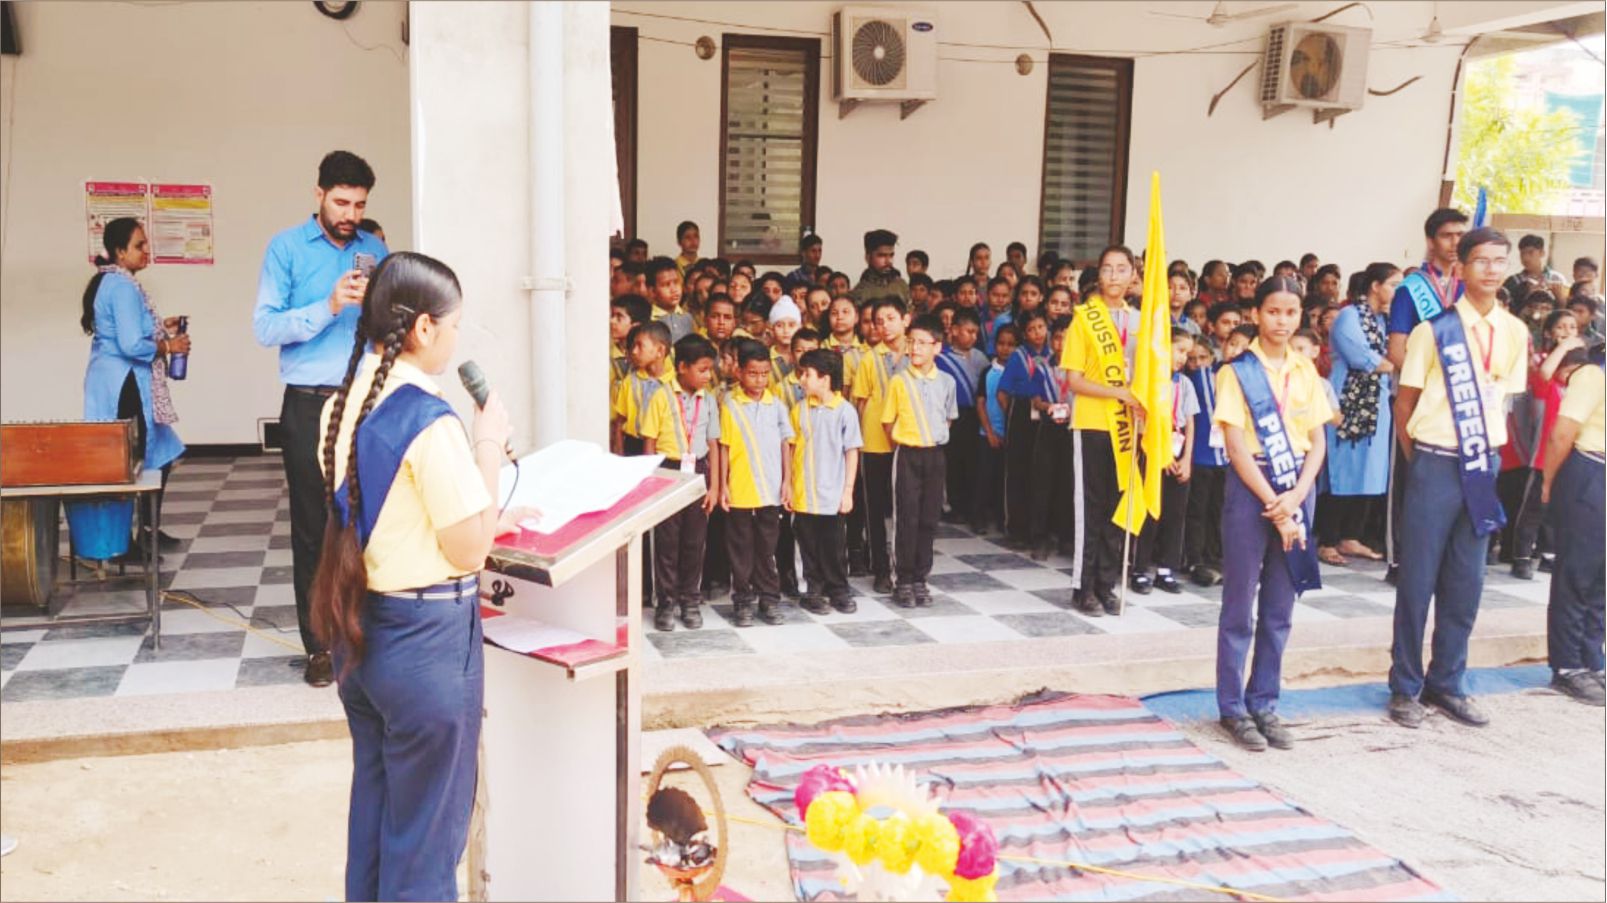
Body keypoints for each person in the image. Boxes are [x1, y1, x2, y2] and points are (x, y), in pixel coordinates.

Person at [311, 252, 530, 902]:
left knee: (378, 826)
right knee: (428, 846)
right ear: (424, 330)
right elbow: (469, 547)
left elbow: (394, 511)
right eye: (455, 326)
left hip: (362, 635)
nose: (458, 339)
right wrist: (487, 441)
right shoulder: (431, 423)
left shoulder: (339, 406)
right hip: (426, 648)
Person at [254, 150, 389, 687]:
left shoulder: (374, 250)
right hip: (308, 401)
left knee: (368, 519)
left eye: (358, 204)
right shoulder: (285, 249)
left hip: (366, 398)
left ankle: (366, 632)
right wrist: (329, 306)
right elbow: (264, 328)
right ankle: (319, 646)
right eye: (340, 202)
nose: (349, 214)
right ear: (318, 195)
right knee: (314, 526)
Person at [1388, 227, 1530, 730]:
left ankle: (1447, 681)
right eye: (1481, 261)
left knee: (1466, 581)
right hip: (1435, 461)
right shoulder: (1434, 331)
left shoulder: (1515, 331)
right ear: (1461, 268)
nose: (1491, 270)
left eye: (1499, 261)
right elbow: (1404, 405)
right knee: (1418, 580)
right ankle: (1404, 686)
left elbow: (1504, 401)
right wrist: (1422, 461)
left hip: (1482, 463)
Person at [1212, 276, 1332, 751]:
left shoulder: (1306, 370)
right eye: (1274, 311)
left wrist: (1298, 496)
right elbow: (1237, 447)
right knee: (1239, 603)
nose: (1282, 321)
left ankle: (1265, 701)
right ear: (1257, 314)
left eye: (1291, 312)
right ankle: (1232, 708)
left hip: (1298, 487)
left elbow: (1319, 440)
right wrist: (1275, 505)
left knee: (1281, 605)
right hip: (1251, 488)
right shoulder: (1235, 371)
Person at [81, 217, 188, 551]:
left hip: (116, 379)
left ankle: (144, 529)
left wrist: (160, 325)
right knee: (131, 460)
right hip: (124, 384)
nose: (146, 251)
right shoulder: (123, 286)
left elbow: (129, 329)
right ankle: (124, 540)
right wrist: (169, 346)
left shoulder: (113, 282)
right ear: (119, 251)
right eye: (139, 245)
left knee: (162, 451)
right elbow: (130, 344)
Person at [1062, 246, 1144, 616]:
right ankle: (1084, 587)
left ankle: (1107, 583)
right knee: (1091, 508)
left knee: (1118, 507)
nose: (1114, 275)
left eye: (1121, 269)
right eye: (1107, 268)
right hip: (1093, 423)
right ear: (1099, 274)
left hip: (1128, 427)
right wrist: (1119, 393)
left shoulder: (1140, 321)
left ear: (1132, 276)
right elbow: (1074, 380)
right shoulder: (1084, 318)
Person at [1540, 344, 1606, 705]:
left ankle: (1592, 660)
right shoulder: (1593, 374)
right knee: (1576, 574)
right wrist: (1549, 483)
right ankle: (1567, 666)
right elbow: (1562, 434)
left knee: (1600, 578)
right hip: (1589, 470)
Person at [643, 334, 722, 631]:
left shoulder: (709, 399)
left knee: (694, 541)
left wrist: (713, 486)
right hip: (667, 469)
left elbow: (713, 442)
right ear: (682, 368)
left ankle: (690, 599)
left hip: (698, 470)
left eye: (709, 369)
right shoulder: (661, 395)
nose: (707, 375)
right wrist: (651, 481)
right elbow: (649, 440)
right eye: (702, 369)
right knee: (667, 541)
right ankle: (665, 602)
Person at [1322, 263, 1398, 562]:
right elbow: (1363, 358)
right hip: (1348, 400)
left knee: (1371, 469)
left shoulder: (1386, 320)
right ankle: (1327, 539)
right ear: (1375, 286)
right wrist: (1398, 363)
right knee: (1341, 469)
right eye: (1393, 284)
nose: (1396, 291)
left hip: (1378, 402)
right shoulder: (1349, 317)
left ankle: (1351, 536)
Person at [882, 314, 958, 608]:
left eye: (922, 343)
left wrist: (931, 439)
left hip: (935, 455)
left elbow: (948, 418)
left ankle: (920, 578)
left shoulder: (947, 382)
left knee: (929, 518)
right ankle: (902, 579)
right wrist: (907, 440)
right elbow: (887, 423)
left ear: (937, 347)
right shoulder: (899, 381)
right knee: (906, 518)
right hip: (908, 455)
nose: (914, 349)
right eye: (911, 342)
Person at [719, 339, 794, 627]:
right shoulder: (730, 405)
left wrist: (787, 481)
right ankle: (742, 601)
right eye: (753, 373)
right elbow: (724, 446)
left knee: (767, 547)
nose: (759, 380)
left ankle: (769, 598)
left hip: (771, 490)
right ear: (739, 372)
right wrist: (724, 484)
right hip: (740, 488)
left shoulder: (776, 405)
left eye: (764, 374)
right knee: (740, 548)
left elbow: (786, 444)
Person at [789, 349, 864, 615]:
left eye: (807, 374)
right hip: (803, 494)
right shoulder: (799, 410)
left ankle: (838, 590)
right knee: (808, 544)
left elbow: (851, 451)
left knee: (833, 545)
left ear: (826, 378)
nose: (801, 380)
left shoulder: (845, 411)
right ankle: (813, 590)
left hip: (832, 495)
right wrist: (788, 485)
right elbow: (790, 448)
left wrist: (848, 492)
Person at [851, 298, 912, 594]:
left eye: (891, 317)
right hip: (874, 444)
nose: (884, 325)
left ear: (906, 320)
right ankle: (880, 568)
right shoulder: (869, 358)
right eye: (879, 321)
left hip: (909, 441)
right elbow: (860, 402)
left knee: (903, 507)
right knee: (873, 508)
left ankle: (905, 566)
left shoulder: (918, 355)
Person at [1133, 330, 1198, 594]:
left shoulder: (1184, 384)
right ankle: (1139, 569)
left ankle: (1165, 569)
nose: (1183, 357)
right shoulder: (1148, 383)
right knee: (1150, 513)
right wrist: (1163, 454)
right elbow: (1143, 426)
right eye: (1179, 350)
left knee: (1175, 514)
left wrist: (1186, 460)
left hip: (1178, 456)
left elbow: (1190, 423)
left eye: (1187, 353)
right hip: (1153, 454)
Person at [997, 308, 1052, 553]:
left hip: (1048, 414)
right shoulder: (1019, 356)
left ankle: (1038, 530)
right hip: (1020, 413)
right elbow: (1002, 392)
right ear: (1024, 334)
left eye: (1041, 327)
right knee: (1017, 471)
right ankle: (1016, 528)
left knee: (1040, 473)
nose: (1037, 333)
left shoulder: (1054, 355)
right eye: (1031, 330)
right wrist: (1013, 414)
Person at [935, 307, 988, 525]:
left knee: (972, 462)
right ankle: (953, 505)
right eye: (968, 331)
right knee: (953, 462)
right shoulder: (941, 358)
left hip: (974, 415)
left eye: (976, 332)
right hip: (951, 417)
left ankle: (971, 506)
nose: (973, 337)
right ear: (954, 330)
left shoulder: (980, 357)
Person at [1184, 336, 1228, 586]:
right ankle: (1196, 559)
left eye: (1203, 358)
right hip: (1198, 457)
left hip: (1222, 459)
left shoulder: (1220, 378)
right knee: (1197, 512)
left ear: (1212, 358)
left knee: (1218, 510)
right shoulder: (1190, 382)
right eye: (1191, 359)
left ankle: (1215, 557)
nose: (1197, 363)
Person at [975, 325, 1018, 536]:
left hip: (1010, 436)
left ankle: (1004, 519)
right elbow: (981, 403)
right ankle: (979, 518)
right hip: (988, 435)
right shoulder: (988, 371)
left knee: (1005, 480)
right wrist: (990, 432)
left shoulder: (1019, 372)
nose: (1005, 349)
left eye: (1011, 345)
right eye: (1001, 343)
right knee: (983, 478)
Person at [1503, 233, 1570, 308]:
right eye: (1522, 253)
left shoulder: (1557, 278)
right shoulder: (1513, 282)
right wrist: (1527, 296)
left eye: (1530, 252)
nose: (1526, 258)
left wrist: (1560, 297)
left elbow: (1565, 310)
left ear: (1542, 253)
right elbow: (1507, 309)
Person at [849, 229, 911, 307]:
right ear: (867, 257)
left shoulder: (902, 286)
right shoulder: (859, 293)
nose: (888, 261)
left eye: (891, 255)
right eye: (882, 256)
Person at [646, 256, 695, 343]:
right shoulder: (648, 319)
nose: (674, 289)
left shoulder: (688, 318)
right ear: (652, 291)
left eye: (676, 282)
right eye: (666, 285)